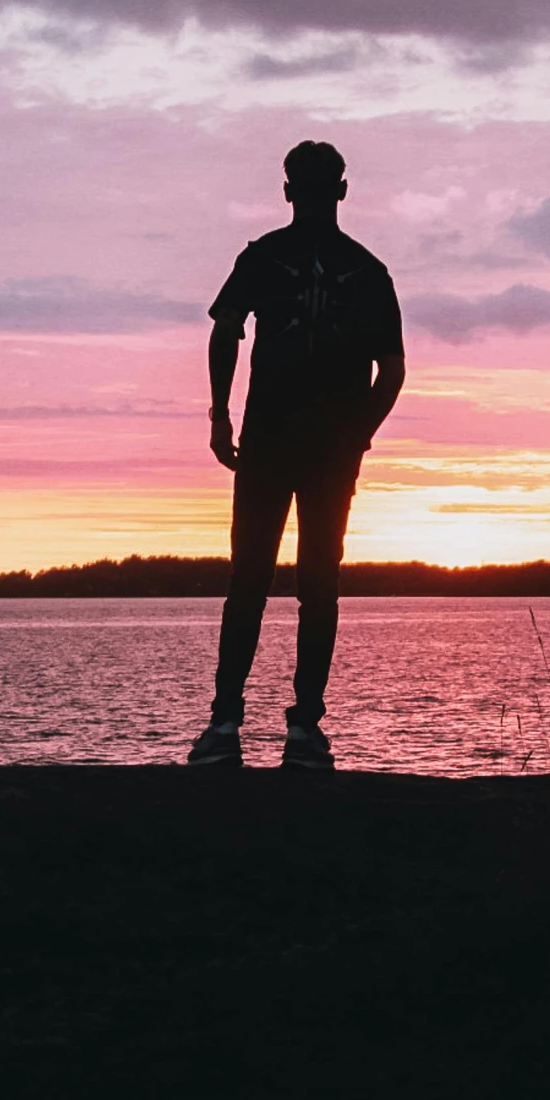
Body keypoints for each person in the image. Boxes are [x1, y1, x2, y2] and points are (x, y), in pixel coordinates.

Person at [188, 141, 406, 769]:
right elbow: (391, 374)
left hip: (268, 441)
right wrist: (356, 439)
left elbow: (226, 330)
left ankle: (224, 726)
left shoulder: (262, 257)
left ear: (288, 190)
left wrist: (221, 413)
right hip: (326, 450)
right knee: (320, 586)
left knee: (247, 583)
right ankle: (304, 731)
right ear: (342, 190)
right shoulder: (368, 270)